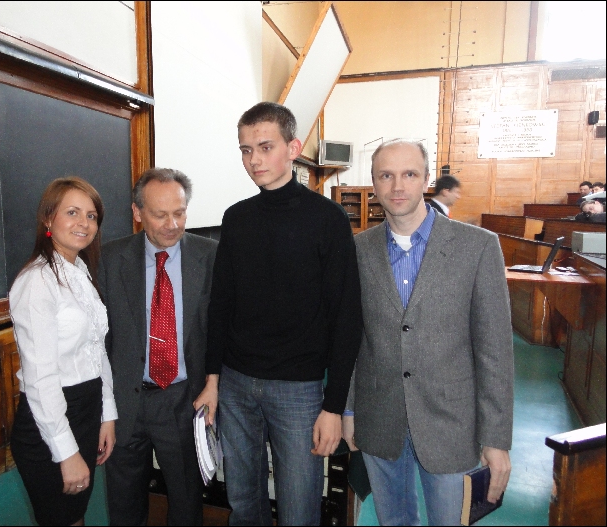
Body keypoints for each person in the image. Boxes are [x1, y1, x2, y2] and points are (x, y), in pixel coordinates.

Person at [198, 102, 362, 525]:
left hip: (299, 390)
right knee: (243, 501)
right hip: (235, 383)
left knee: (298, 509)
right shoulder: (236, 218)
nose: (254, 159)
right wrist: (213, 380)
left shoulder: (327, 219)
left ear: (293, 148)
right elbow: (221, 305)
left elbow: (346, 317)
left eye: (265, 147)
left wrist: (333, 406)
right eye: (245, 149)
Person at [343, 139, 514, 526]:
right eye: (386, 175)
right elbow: (352, 340)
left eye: (409, 174)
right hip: (379, 418)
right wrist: (349, 410)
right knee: (393, 521)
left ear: (426, 180)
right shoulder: (357, 250)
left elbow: (495, 353)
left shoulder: (478, 247)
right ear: (374, 182)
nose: (397, 186)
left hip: (451, 423)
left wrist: (496, 438)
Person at [99, 168, 218, 525]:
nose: (172, 224)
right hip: (125, 400)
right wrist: (103, 406)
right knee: (124, 504)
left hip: (183, 399)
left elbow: (220, 329)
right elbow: (99, 339)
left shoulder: (211, 256)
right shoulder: (109, 258)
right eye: (160, 214)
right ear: (137, 213)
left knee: (186, 503)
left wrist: (214, 384)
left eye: (179, 213)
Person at [9, 177, 117, 526]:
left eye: (91, 216)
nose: (84, 223)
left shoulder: (79, 271)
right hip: (50, 421)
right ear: (48, 218)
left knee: (75, 514)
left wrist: (107, 415)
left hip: (87, 409)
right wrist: (66, 453)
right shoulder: (36, 281)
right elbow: (40, 379)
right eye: (72, 212)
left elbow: (96, 350)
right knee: (61, 518)